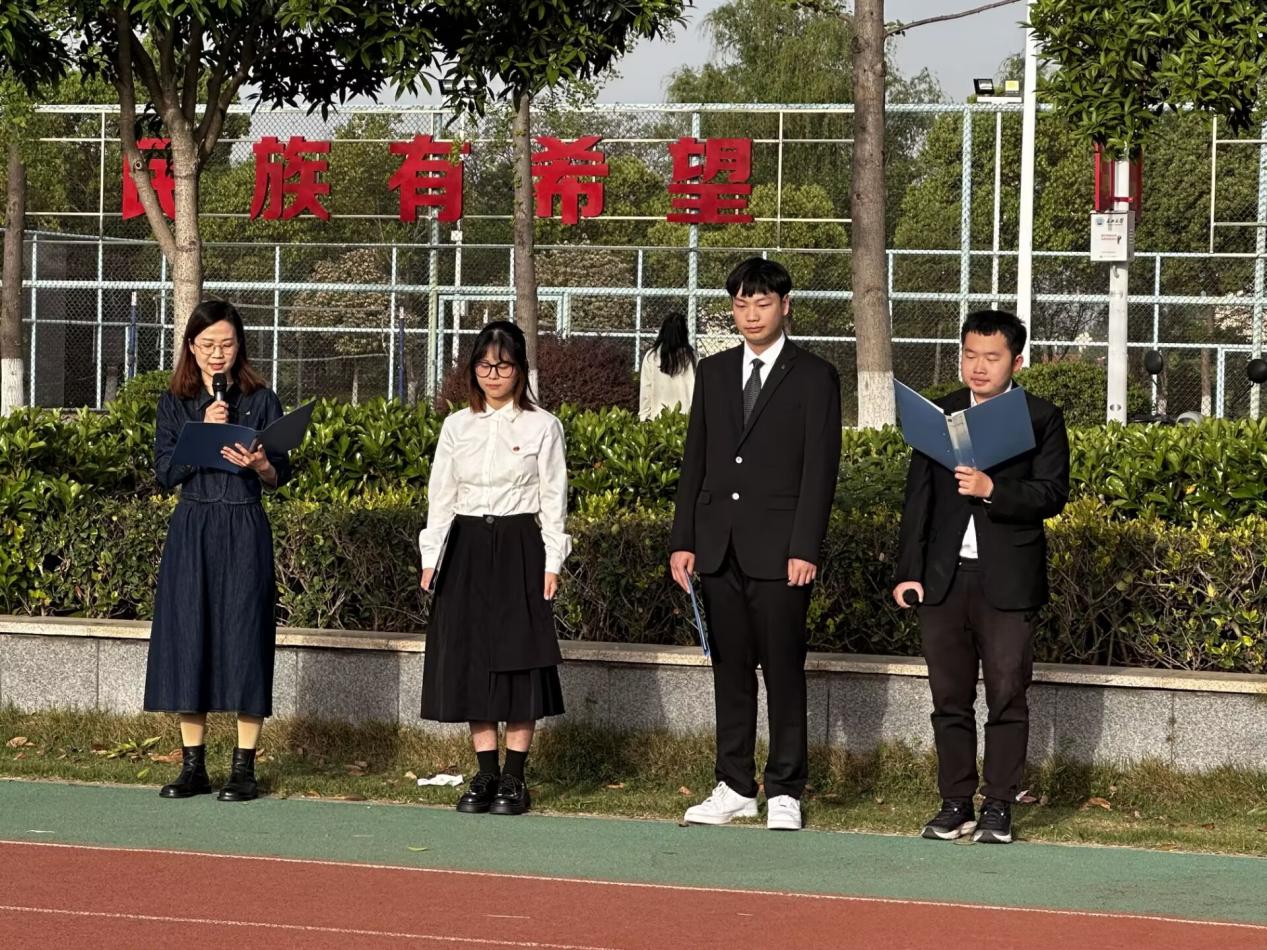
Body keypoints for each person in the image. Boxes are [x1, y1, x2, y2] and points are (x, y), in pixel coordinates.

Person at [669, 257, 841, 832]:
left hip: (782, 552)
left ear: (785, 306)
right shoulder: (715, 372)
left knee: (784, 670)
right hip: (718, 548)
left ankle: (786, 788)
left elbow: (820, 470)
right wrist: (684, 539)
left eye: (762, 303)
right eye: (741, 304)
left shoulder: (815, 376)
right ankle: (735, 785)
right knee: (731, 671)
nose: (751, 314)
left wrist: (805, 546)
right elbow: (696, 459)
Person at [892, 309, 1069, 845]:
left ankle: (998, 805)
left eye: (991, 357)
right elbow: (918, 501)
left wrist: (994, 490)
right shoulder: (940, 415)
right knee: (948, 698)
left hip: (1008, 581)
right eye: (970, 355)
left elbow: (1052, 494)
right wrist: (908, 572)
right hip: (942, 581)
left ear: (1017, 361)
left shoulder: (1040, 418)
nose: (978, 366)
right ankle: (954, 802)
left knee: (1007, 695)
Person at [419, 320, 570, 816]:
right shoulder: (456, 426)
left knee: (520, 661)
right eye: (484, 366)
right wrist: (431, 556)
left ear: (520, 369)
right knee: (472, 660)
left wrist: (553, 559)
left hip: (520, 545)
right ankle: (485, 773)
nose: (493, 375)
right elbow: (441, 495)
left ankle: (514, 778)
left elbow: (554, 499)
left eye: (503, 366)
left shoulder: (543, 426)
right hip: (464, 545)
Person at [145, 299, 293, 803]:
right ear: (191, 347)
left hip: (245, 525)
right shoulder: (175, 403)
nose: (217, 353)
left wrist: (261, 465)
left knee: (247, 637)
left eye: (226, 344)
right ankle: (193, 766)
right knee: (190, 635)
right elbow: (165, 471)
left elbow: (279, 472)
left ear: (239, 347)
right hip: (194, 525)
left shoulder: (262, 399)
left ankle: (244, 768)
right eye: (207, 344)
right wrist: (205, 434)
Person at [639, 310, 696, 420]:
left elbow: (646, 390)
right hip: (686, 418)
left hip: (658, 419)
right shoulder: (692, 357)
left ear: (663, 331)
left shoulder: (652, 357)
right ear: (684, 332)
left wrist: (644, 417)